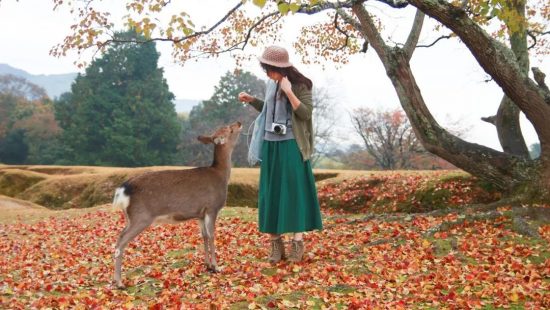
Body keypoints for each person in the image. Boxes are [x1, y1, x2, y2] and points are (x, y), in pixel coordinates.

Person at [238, 45, 323, 263]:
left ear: (281, 68)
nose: (267, 73)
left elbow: (304, 113)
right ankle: (276, 246)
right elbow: (268, 111)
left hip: (292, 146)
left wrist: (288, 91)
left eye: (269, 69)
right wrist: (252, 100)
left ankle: (297, 243)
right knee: (271, 193)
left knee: (293, 193)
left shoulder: (302, 85)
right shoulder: (270, 84)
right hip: (270, 145)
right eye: (265, 69)